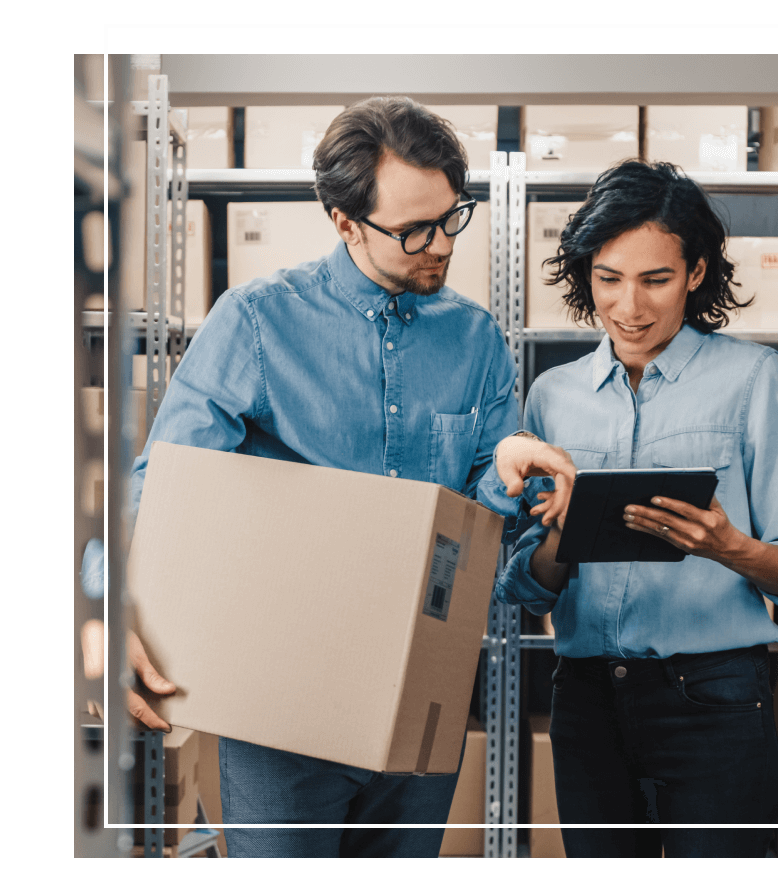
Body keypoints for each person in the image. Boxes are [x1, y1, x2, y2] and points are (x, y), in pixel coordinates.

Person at [98, 96, 575, 858]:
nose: (440, 246)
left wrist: (509, 464)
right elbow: (163, 483)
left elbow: (485, 502)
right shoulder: (255, 323)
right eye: (412, 230)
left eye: (451, 217)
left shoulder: (478, 340)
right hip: (282, 706)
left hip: (423, 696)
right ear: (342, 219)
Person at [478, 159, 778, 858]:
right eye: (609, 279)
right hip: (585, 698)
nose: (629, 307)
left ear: (698, 273)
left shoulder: (754, 381)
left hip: (714, 696)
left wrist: (726, 547)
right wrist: (559, 532)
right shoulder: (552, 396)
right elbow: (525, 589)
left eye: (656, 279)